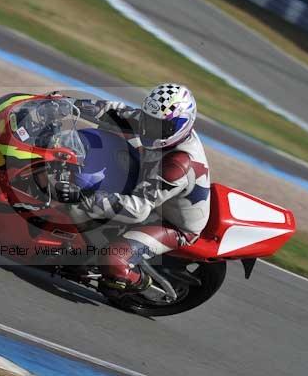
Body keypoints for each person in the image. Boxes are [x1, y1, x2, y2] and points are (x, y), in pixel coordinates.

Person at [55, 84, 211, 292]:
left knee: (113, 260)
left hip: (168, 222)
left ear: (181, 124)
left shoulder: (179, 163)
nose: (150, 129)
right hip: (147, 183)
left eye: (160, 126)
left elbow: (139, 209)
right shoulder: (156, 122)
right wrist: (66, 104)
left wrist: (84, 196)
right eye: (149, 120)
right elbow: (111, 112)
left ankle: (138, 281)